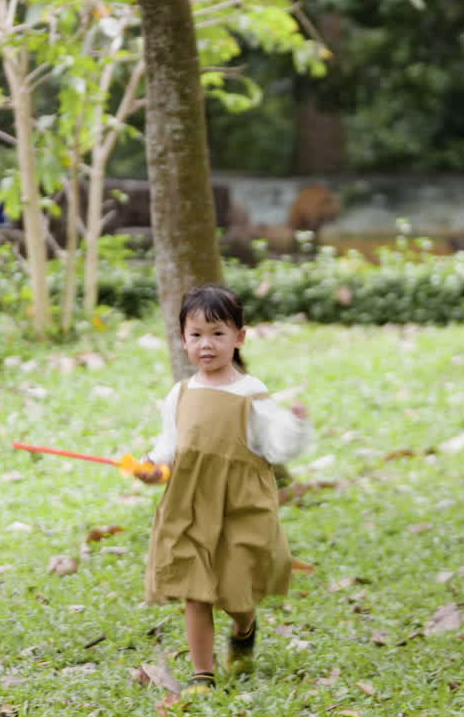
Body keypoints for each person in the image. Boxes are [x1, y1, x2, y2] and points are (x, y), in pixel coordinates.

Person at [133, 284, 312, 698]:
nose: (206, 345)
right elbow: (169, 447)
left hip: (240, 505)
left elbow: (278, 447)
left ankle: (244, 627)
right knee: (195, 590)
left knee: (236, 592)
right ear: (183, 340)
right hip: (191, 504)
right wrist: (152, 468)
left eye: (217, 333)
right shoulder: (180, 393)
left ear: (239, 337)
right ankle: (203, 675)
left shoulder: (251, 392)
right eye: (196, 335)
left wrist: (298, 426)